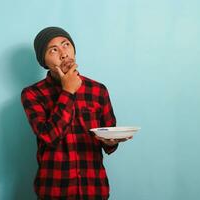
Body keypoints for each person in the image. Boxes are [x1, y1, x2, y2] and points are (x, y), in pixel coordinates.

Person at [21, 27, 132, 200]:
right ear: (43, 61)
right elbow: (49, 137)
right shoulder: (32, 94)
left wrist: (111, 142)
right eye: (53, 50)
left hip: (94, 189)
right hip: (54, 190)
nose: (63, 54)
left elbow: (109, 143)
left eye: (66, 45)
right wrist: (68, 91)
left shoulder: (98, 90)